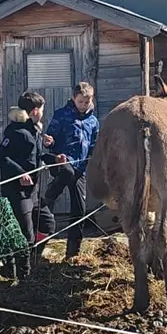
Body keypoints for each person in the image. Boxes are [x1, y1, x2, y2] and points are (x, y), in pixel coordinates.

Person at [0, 92, 56, 276]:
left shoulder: (34, 130)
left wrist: (54, 157)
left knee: (48, 224)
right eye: (43, 110)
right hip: (18, 193)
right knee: (25, 235)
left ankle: (33, 258)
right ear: (36, 111)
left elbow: (36, 157)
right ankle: (23, 275)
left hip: (34, 193)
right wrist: (20, 174)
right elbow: (0, 157)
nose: (43, 113)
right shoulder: (16, 131)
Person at [43, 82, 100, 259]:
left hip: (80, 168)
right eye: (81, 101)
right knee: (66, 172)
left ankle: (72, 253)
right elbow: (51, 136)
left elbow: (93, 144)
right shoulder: (62, 115)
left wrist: (96, 157)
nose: (84, 105)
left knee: (79, 210)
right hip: (62, 161)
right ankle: (49, 196)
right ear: (74, 99)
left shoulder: (93, 121)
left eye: (87, 102)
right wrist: (49, 142)